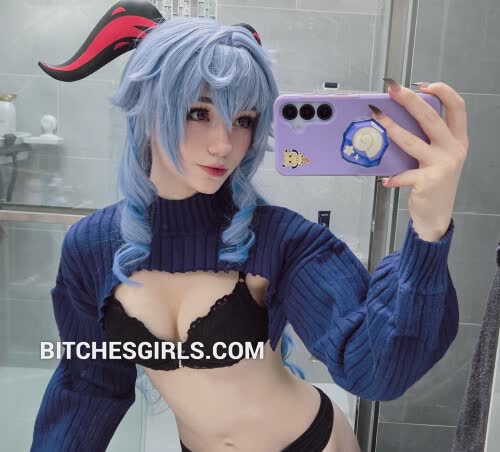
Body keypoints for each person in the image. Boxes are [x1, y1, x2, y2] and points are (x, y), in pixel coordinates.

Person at [31, 2, 468, 451]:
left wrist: (429, 228)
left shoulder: (281, 240)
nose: (224, 144)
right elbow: (90, 385)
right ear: (148, 107)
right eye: (199, 112)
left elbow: (376, 371)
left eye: (243, 120)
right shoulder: (93, 246)